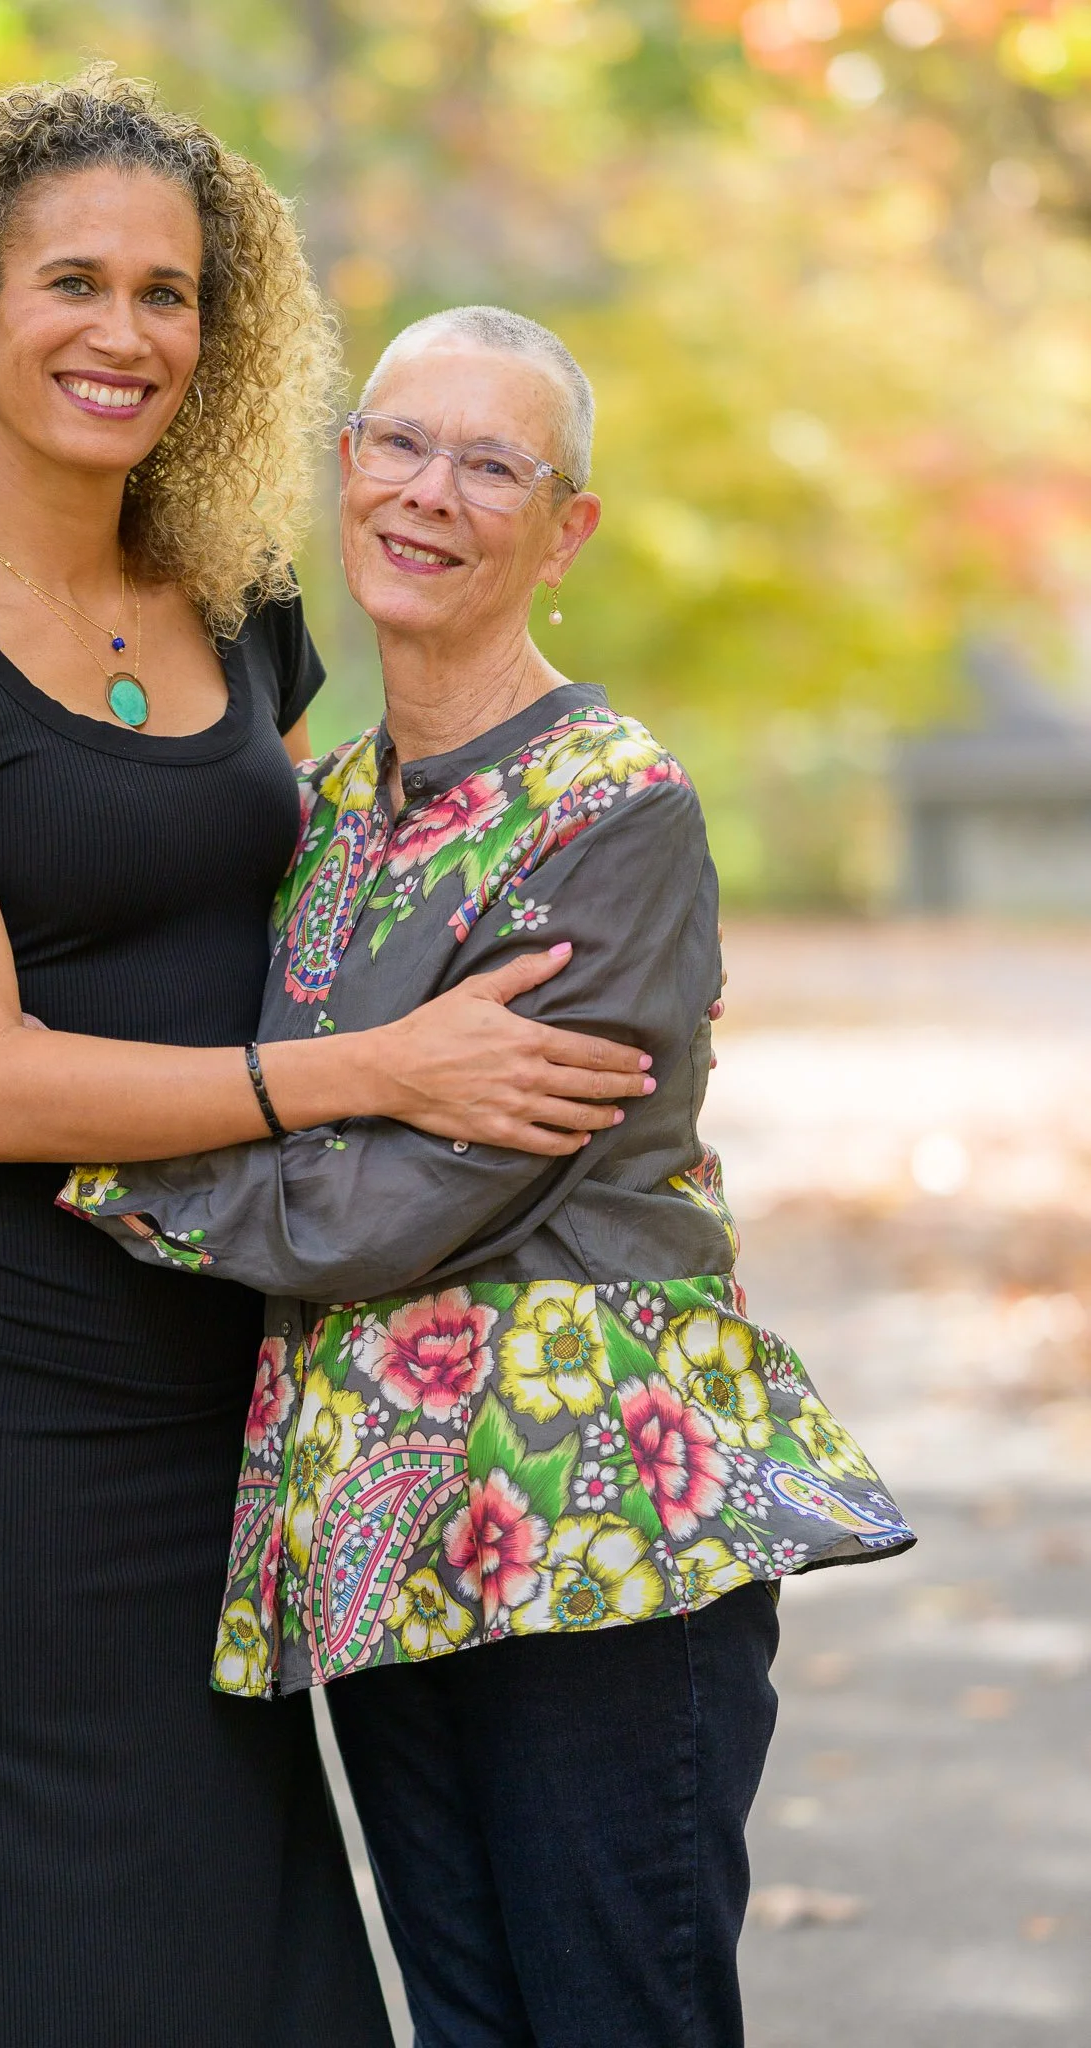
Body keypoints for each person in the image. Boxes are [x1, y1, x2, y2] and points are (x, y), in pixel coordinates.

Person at [0, 73, 653, 2048]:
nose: (125, 332)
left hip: (219, 1388)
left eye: (170, 293)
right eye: (71, 282)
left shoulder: (250, 617)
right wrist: (376, 1074)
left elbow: (298, 927)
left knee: (272, 1985)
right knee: (29, 1977)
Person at [48, 307, 918, 2047]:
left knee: (617, 2013)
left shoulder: (613, 811)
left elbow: (404, 1202)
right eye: (398, 444)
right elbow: (184, 1022)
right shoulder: (323, 807)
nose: (430, 494)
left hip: (594, 1519)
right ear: (347, 463)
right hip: (374, 1526)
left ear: (562, 525)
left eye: (492, 463)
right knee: (465, 2023)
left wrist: (78, 1158)